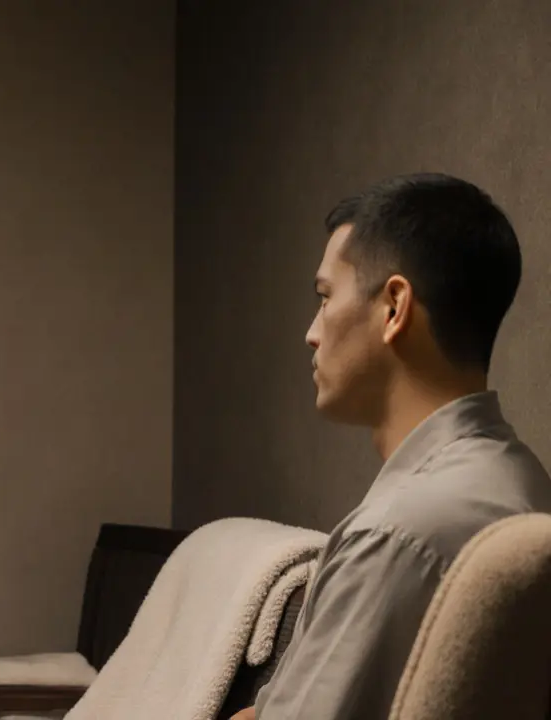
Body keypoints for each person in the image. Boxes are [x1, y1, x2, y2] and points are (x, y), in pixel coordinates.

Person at [232, 173, 551, 719]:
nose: (312, 332)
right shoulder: (520, 476)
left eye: (324, 297)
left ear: (394, 307)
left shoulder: (399, 535)